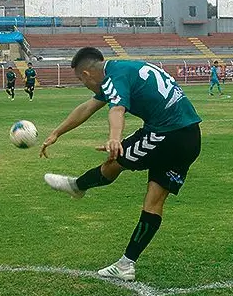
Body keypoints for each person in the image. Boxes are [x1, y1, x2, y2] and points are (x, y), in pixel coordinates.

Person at [41, 47, 202, 282]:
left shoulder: (114, 79)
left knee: (114, 163)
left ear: (86, 74)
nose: (83, 84)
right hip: (190, 137)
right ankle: (126, 264)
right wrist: (57, 132)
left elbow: (117, 110)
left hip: (166, 135)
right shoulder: (126, 68)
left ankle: (77, 186)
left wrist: (115, 139)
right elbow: (88, 107)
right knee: (154, 201)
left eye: (79, 80)